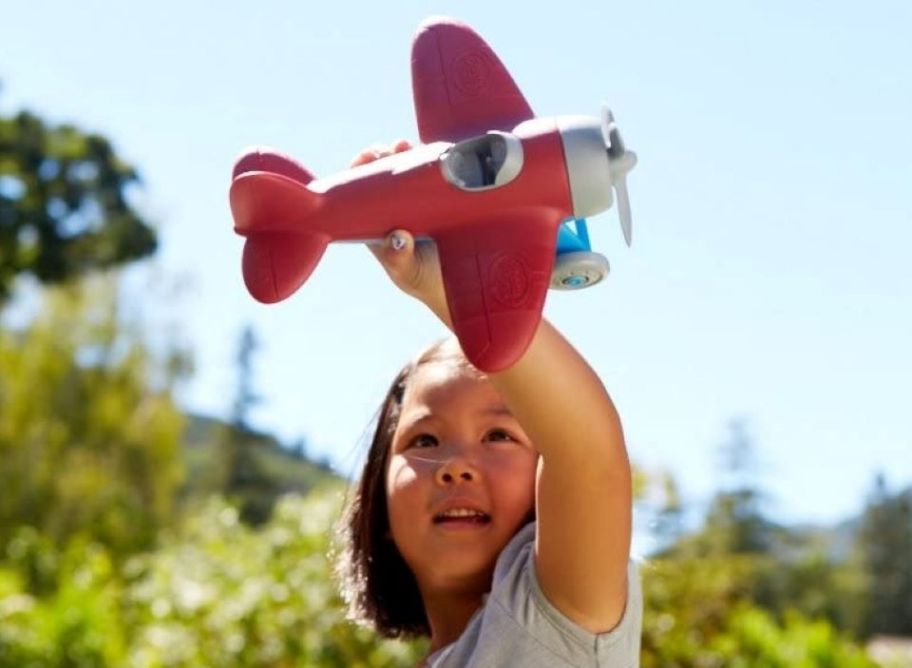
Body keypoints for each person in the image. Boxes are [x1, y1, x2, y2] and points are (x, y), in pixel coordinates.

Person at [335, 141, 642, 667]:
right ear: (380, 500)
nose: (455, 467)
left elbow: (589, 455)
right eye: (424, 440)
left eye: (499, 435)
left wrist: (456, 290)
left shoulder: (556, 615)